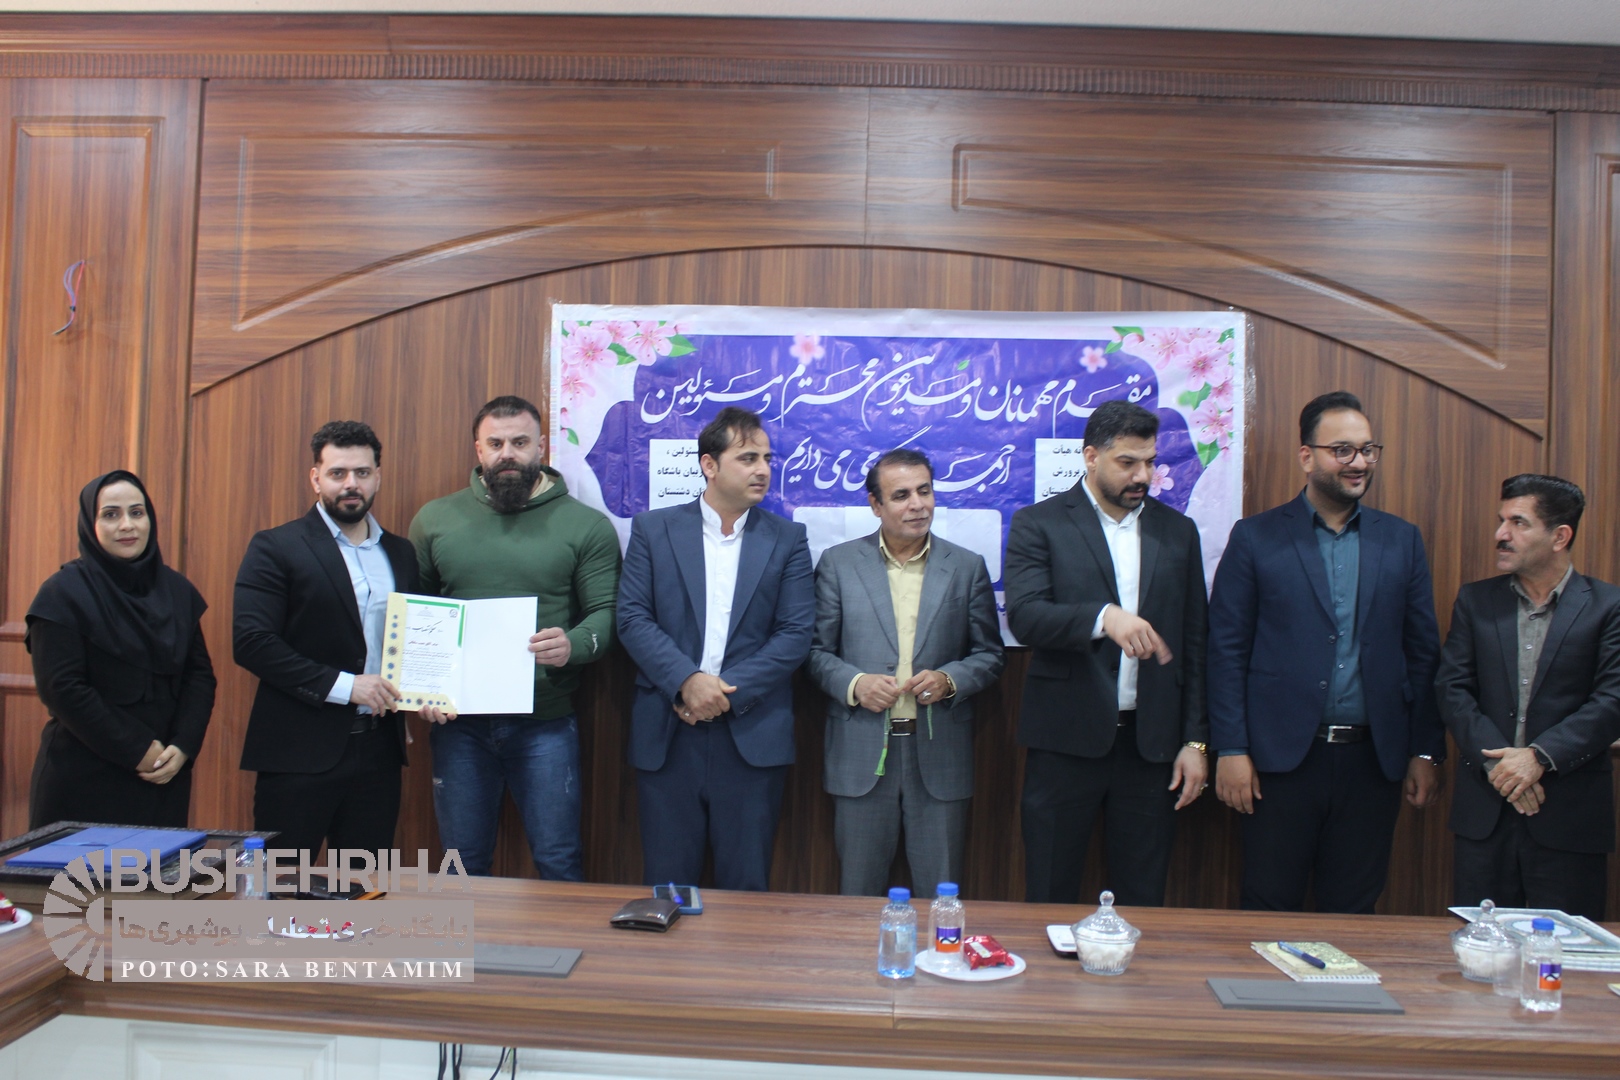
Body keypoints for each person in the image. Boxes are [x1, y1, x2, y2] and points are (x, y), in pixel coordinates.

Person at [1209, 390, 1443, 913]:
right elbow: (1225, 651)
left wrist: (1426, 751)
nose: (1358, 462)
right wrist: (1230, 748)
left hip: (1372, 762)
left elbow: (1423, 653)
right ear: (1307, 456)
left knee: (1355, 908)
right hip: (1278, 762)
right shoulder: (1256, 537)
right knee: (1269, 903)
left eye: (1367, 450)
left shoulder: (1401, 540)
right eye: (1343, 450)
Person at [1003, 400, 1209, 907]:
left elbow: (1196, 643)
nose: (1143, 476)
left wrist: (1196, 742)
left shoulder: (1177, 532)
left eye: (1150, 462)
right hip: (1065, 742)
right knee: (1050, 890)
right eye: (1127, 463)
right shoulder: (1040, 523)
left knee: (1142, 895)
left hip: (1150, 745)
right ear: (1091, 457)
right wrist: (1103, 618)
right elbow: (1025, 617)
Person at [410, 396, 620, 879]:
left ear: (541, 446)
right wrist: (421, 691)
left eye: (520, 442)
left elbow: (607, 614)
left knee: (559, 861)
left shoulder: (586, 525)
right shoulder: (434, 520)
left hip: (545, 723)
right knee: (461, 867)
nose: (507, 453)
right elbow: (417, 614)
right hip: (458, 725)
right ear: (478, 449)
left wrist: (573, 644)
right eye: (496, 443)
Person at [617, 407, 814, 891]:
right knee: (667, 888)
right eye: (747, 458)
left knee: (746, 887)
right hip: (670, 732)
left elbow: (794, 634)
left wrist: (721, 692)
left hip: (750, 733)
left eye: (767, 458)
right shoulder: (654, 530)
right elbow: (633, 619)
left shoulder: (787, 539)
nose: (762, 469)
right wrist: (687, 682)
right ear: (709, 465)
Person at [807, 449, 1005, 899]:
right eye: (901, 495)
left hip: (938, 755)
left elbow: (990, 655)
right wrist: (854, 684)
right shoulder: (839, 564)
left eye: (924, 491)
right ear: (875, 505)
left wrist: (950, 680)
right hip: (861, 754)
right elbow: (815, 653)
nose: (917, 504)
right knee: (858, 895)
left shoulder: (965, 566)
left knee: (942, 898)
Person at [1437, 475, 1620, 920]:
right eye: (1502, 521)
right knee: (1479, 948)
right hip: (1486, 814)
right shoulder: (1476, 601)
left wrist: (1538, 757)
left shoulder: (1608, 606)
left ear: (1560, 536)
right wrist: (1502, 768)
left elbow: (1612, 699)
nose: (1500, 534)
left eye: (1518, 523)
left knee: (1567, 952)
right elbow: (1452, 688)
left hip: (1569, 817)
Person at [235, 421, 419, 860]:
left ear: (378, 476)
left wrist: (424, 693)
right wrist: (346, 686)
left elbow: (412, 640)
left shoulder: (401, 553)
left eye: (362, 472)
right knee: (280, 882)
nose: (351, 484)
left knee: (365, 884)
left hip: (379, 750)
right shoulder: (276, 546)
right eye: (338, 473)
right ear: (316, 478)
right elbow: (252, 642)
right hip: (299, 752)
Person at [26, 470, 215, 829]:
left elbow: (199, 677)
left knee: (156, 868)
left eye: (137, 512)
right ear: (91, 523)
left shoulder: (177, 591)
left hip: (163, 777)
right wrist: (137, 749)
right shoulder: (62, 594)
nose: (127, 525)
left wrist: (183, 747)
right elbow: (62, 688)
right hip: (82, 780)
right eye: (111, 514)